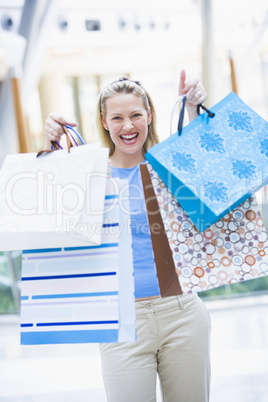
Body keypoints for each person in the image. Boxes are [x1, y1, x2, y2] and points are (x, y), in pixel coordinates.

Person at [44, 70, 211, 402]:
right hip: (121, 321)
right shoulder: (90, 174)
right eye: (117, 117)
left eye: (136, 115)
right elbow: (51, 214)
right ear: (105, 123)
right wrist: (50, 148)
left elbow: (207, 166)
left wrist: (194, 108)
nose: (128, 125)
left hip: (182, 313)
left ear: (149, 115)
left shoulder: (170, 165)